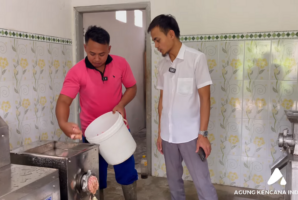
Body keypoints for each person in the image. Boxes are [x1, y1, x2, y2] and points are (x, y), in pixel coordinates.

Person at [56, 26, 138, 200]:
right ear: (85, 48)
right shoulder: (77, 72)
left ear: (109, 49)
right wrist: (63, 123)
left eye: (102, 54)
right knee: (94, 178)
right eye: (92, 53)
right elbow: (64, 100)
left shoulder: (121, 64)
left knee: (127, 173)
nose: (97, 58)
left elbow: (132, 87)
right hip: (92, 136)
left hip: (118, 130)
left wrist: (121, 104)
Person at [147, 14, 218, 200]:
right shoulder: (162, 65)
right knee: (174, 184)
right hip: (168, 137)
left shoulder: (196, 59)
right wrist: (160, 133)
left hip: (192, 137)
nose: (156, 45)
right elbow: (162, 100)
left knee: (203, 183)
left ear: (171, 34)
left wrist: (203, 135)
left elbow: (205, 99)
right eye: (154, 41)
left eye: (157, 40)